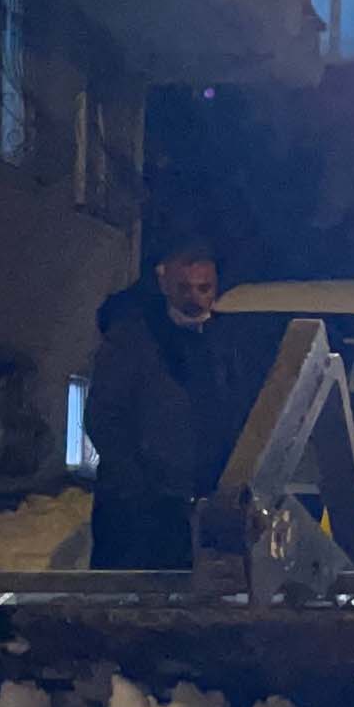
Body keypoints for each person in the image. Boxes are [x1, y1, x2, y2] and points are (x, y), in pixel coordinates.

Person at [87, 239, 240, 568]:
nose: (194, 298)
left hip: (199, 509)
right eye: (184, 288)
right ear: (163, 283)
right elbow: (104, 418)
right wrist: (139, 487)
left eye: (203, 288)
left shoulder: (226, 343)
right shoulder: (131, 340)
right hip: (137, 515)